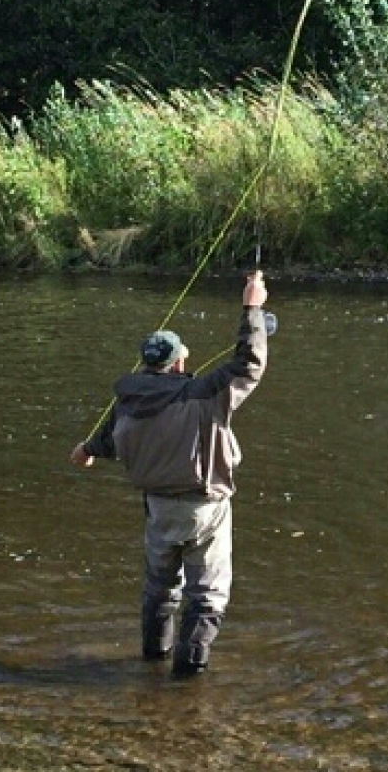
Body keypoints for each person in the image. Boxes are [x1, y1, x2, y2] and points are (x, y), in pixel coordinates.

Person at [70, 272, 269, 677]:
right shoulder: (203, 395)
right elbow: (249, 363)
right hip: (204, 509)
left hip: (157, 511)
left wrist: (87, 450)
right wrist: (252, 307)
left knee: (160, 590)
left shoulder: (127, 399)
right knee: (207, 597)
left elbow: (108, 439)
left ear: (146, 363)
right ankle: (186, 683)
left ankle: (152, 661)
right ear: (179, 362)